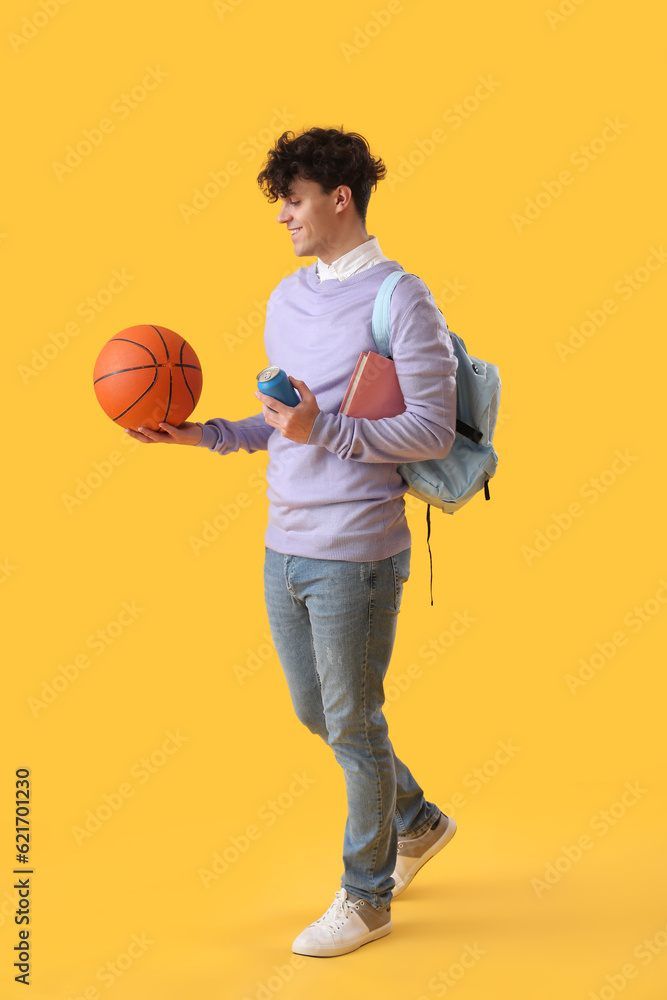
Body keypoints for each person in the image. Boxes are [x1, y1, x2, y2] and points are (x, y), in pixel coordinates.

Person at [126, 125, 459, 958]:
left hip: (358, 551)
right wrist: (203, 435)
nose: (283, 215)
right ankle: (415, 820)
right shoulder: (287, 296)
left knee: (352, 719)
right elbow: (283, 426)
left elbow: (429, 432)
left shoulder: (399, 298)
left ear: (338, 198)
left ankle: (367, 895)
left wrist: (328, 428)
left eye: (294, 198)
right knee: (323, 714)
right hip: (285, 545)